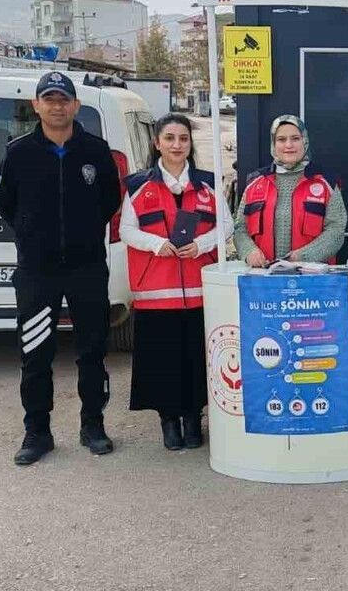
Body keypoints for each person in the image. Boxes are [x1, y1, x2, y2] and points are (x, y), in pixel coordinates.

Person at [0, 71, 122, 466]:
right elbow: (5, 204)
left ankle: (93, 425)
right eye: (48, 99)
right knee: (35, 354)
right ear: (36, 105)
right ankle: (37, 432)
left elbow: (109, 201)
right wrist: (35, 235)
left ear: (75, 105)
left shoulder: (96, 151)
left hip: (86, 269)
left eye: (63, 99)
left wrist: (81, 234)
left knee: (92, 352)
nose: (57, 105)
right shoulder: (18, 154)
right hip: (37, 272)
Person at [120, 114, 229, 451]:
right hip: (155, 290)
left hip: (200, 290)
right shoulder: (138, 186)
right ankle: (169, 420)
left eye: (183, 139)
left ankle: (194, 418)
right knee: (163, 361)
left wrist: (203, 244)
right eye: (170, 138)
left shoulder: (209, 184)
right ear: (157, 143)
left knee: (196, 358)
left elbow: (225, 227)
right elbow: (126, 230)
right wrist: (157, 244)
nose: (177, 145)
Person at [234, 115, 347, 268]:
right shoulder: (255, 183)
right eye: (281, 139)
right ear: (273, 143)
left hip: (312, 279)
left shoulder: (325, 182)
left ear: (305, 141)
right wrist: (249, 251)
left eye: (295, 138)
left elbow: (336, 230)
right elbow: (240, 229)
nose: (289, 145)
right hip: (264, 279)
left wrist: (302, 257)